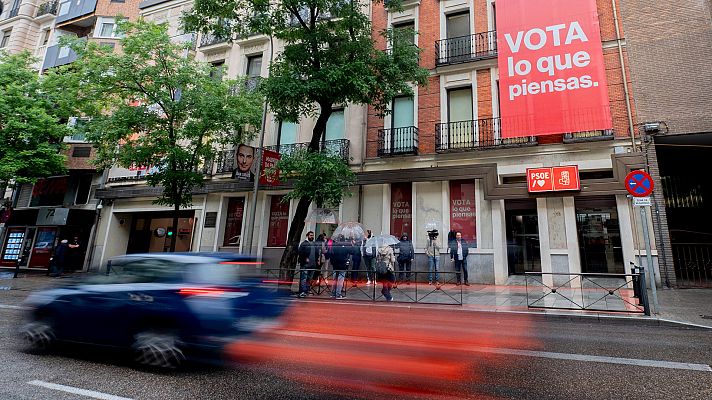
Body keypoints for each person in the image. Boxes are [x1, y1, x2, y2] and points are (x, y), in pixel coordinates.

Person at [297, 231, 318, 298]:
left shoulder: (314, 244)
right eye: (311, 235)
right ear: (307, 236)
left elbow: (316, 253)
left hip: (312, 264)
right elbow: (300, 252)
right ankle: (302, 292)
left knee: (309, 278)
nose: (312, 236)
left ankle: (307, 290)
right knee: (304, 278)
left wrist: (317, 259)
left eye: (312, 235)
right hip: (305, 264)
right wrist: (305, 258)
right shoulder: (304, 244)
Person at [329, 235, 350, 299]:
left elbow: (331, 255)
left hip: (335, 265)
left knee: (335, 279)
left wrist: (332, 263)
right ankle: (338, 294)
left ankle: (333, 293)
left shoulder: (334, 246)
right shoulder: (345, 247)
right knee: (340, 280)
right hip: (342, 265)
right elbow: (350, 252)